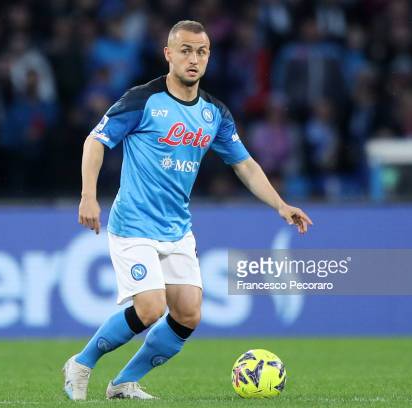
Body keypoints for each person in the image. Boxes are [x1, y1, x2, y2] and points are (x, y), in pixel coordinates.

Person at [63, 20, 313, 400]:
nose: (193, 59)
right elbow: (95, 142)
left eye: (201, 52)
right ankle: (81, 364)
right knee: (150, 307)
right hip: (134, 224)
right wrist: (88, 195)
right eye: (185, 51)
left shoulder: (215, 113)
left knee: (188, 314)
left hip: (177, 229)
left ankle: (124, 383)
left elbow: (244, 164)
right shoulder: (143, 100)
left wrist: (280, 204)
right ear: (168, 54)